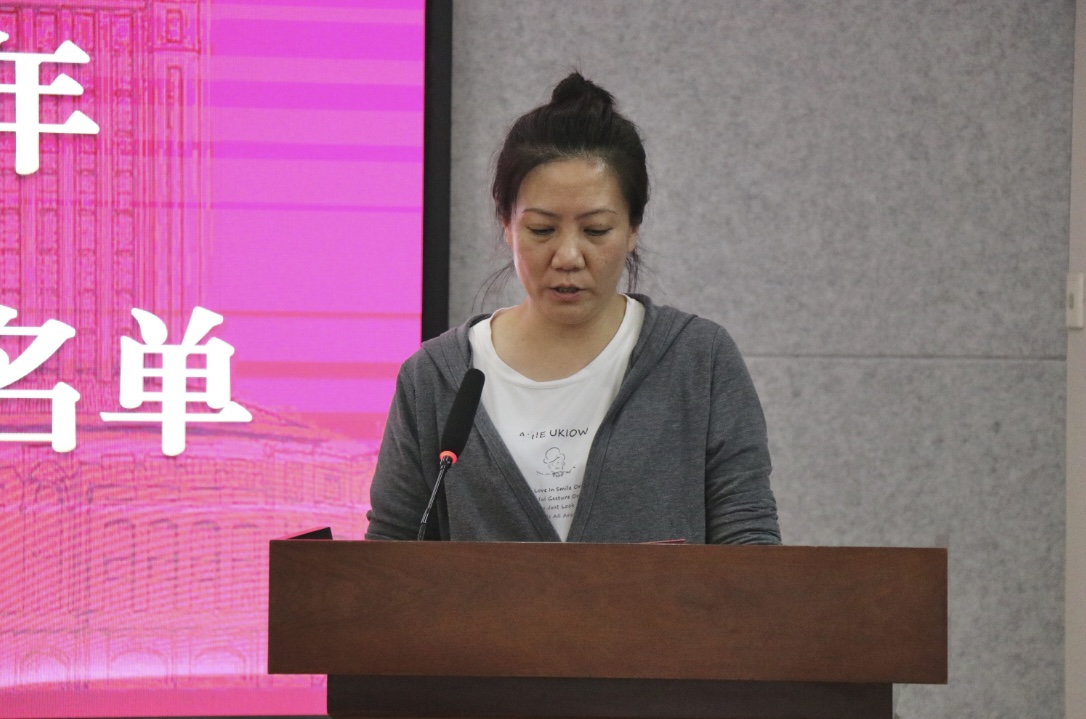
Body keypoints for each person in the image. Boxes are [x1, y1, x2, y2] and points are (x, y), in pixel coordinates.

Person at [366, 72, 781, 545]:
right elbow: (390, 552)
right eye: (541, 230)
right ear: (506, 224)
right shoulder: (435, 378)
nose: (567, 256)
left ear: (633, 227)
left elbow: (748, 543)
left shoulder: (698, 360)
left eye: (596, 230)